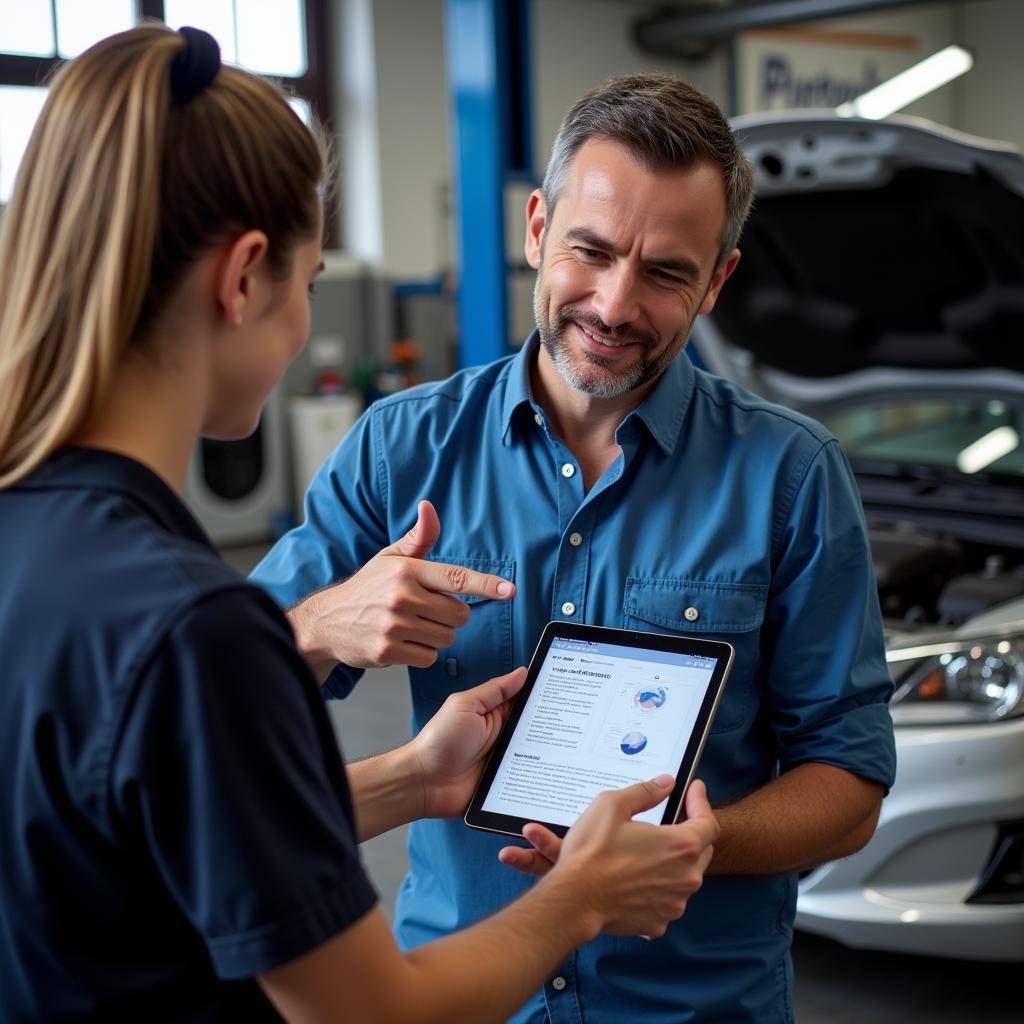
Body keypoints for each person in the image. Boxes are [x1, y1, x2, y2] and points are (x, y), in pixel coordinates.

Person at [0, 33, 722, 1023]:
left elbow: (146, 829)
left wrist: (414, 777)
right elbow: (366, 1011)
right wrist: (581, 895)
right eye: (310, 276)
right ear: (245, 276)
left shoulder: (29, 538)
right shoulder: (199, 629)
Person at [252, 73, 898, 1023]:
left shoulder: (792, 477)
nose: (614, 302)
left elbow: (848, 781)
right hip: (459, 994)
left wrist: (697, 839)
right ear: (537, 229)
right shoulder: (402, 449)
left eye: (668, 272)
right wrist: (316, 623)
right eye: (589, 251)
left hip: (693, 1006)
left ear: (718, 279)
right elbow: (221, 703)